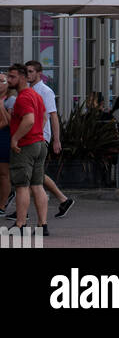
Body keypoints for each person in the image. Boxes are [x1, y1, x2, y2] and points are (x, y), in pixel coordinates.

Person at [20, 63, 75, 218]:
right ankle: (63, 200)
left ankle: (22, 211)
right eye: (26, 72)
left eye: (30, 72)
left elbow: (53, 115)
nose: (28, 74)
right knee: (37, 175)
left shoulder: (45, 91)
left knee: (32, 175)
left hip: (41, 136)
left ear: (39, 73)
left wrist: (56, 140)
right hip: (32, 136)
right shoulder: (29, 90)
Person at [8, 66, 48, 236]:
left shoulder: (23, 97)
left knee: (21, 186)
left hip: (26, 145)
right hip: (39, 143)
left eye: (12, 77)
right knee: (37, 185)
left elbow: (29, 120)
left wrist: (15, 138)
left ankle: (20, 224)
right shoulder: (35, 95)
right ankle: (42, 225)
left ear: (23, 78)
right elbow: (44, 116)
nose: (9, 80)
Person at [0, 71, 12, 213]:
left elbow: (8, 122)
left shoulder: (10, 100)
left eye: (1, 81)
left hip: (5, 138)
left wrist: (2, 107)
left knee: (4, 173)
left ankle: (3, 204)